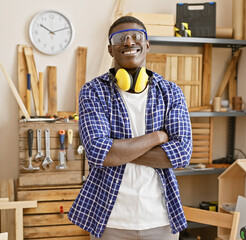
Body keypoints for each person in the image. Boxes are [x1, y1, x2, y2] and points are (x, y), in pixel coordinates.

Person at [68, 16, 192, 240]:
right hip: (109, 219)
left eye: (136, 36)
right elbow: (98, 152)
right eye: (120, 38)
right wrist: (157, 136)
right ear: (110, 49)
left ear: (147, 44)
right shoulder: (93, 92)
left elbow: (181, 155)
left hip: (161, 218)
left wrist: (117, 152)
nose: (128, 42)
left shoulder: (171, 92)